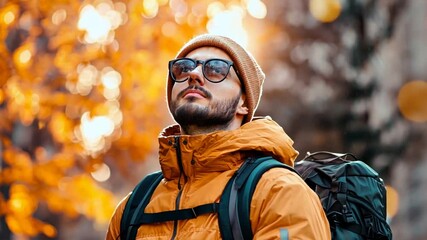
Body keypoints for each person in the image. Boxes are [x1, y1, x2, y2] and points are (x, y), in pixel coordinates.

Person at [106, 34, 331, 239]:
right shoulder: (135, 206)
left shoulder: (278, 192)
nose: (193, 74)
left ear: (243, 102)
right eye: (183, 68)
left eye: (215, 69)